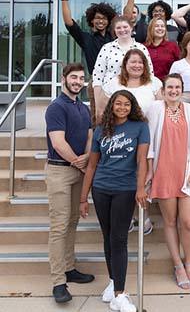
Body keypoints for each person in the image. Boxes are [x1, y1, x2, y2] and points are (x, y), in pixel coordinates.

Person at [80, 90, 149, 312]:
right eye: (118, 104)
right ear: (112, 106)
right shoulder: (101, 130)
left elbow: (142, 160)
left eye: (126, 104)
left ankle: (120, 294)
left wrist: (140, 189)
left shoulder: (140, 127)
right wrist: (83, 198)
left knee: (119, 239)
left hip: (125, 189)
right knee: (108, 237)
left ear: (132, 107)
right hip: (101, 188)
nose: (122, 108)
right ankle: (113, 281)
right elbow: (91, 165)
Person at [146, 74, 190, 289]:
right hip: (163, 172)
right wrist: (150, 171)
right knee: (170, 221)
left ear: (182, 89)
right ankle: (178, 265)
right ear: (163, 89)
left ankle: (189, 263)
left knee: (187, 221)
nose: (173, 90)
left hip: (186, 172)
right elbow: (150, 142)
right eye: (169, 87)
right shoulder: (155, 109)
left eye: (177, 87)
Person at [45, 63, 94, 303]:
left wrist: (85, 157)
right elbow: (57, 142)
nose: (77, 81)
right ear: (63, 78)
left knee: (73, 221)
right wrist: (77, 161)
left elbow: (88, 135)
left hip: (78, 171)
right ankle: (58, 282)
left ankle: (69, 267)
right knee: (59, 226)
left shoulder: (82, 108)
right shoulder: (56, 107)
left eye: (81, 78)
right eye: (73, 77)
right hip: (60, 172)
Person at [103, 49, 163, 235]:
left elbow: (162, 109)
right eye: (132, 62)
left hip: (148, 135)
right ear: (125, 64)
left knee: (145, 176)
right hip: (121, 138)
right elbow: (106, 112)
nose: (137, 65)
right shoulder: (113, 83)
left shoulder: (154, 83)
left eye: (140, 62)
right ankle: (127, 216)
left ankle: (143, 215)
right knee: (127, 176)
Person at [61, 0, 116, 127]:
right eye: (98, 18)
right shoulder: (86, 38)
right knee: (96, 116)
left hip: (116, 80)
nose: (101, 21)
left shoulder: (114, 37)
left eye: (104, 18)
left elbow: (128, 16)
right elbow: (68, 22)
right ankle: (95, 147)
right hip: (96, 82)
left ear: (109, 20)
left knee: (117, 115)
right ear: (92, 20)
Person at [92, 16, 153, 124]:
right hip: (110, 95)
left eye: (125, 27)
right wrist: (98, 101)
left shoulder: (141, 48)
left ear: (131, 28)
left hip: (137, 96)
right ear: (114, 30)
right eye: (118, 28)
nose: (122, 30)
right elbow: (98, 75)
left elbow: (149, 73)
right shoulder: (107, 48)